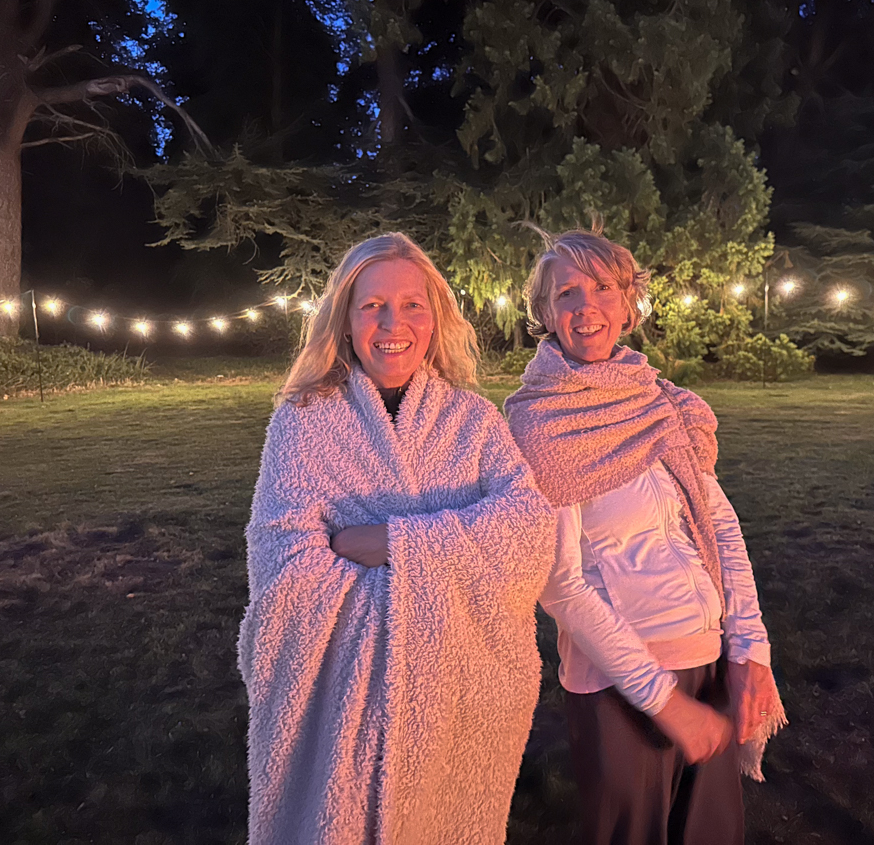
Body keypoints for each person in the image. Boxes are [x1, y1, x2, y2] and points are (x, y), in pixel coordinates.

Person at [238, 233, 556, 845]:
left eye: (412, 304)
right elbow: (285, 569)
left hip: (455, 709)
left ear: (435, 317)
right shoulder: (302, 422)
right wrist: (450, 570)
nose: (393, 324)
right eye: (372, 305)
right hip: (343, 710)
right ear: (345, 318)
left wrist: (393, 544)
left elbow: (529, 531)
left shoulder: (474, 421)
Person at [504, 228, 786, 845]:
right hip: (619, 686)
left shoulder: (661, 402)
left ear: (628, 302)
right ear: (544, 312)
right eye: (566, 292)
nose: (586, 306)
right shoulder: (540, 424)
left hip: (709, 660)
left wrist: (750, 651)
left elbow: (719, 527)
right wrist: (664, 701)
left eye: (603, 287)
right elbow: (560, 585)